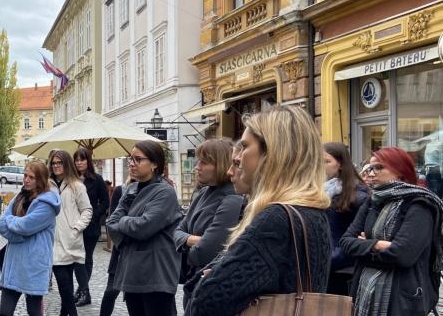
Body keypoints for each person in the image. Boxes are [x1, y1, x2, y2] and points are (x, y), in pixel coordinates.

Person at [187, 106, 332, 316]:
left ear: (272, 152)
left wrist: (209, 277)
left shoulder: (275, 219)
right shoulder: (312, 210)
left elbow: (206, 301)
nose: (237, 158)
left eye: (245, 146)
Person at [341, 146, 443, 315]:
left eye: (378, 167)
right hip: (364, 289)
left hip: (402, 298)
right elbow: (346, 242)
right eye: (369, 168)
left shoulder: (419, 204)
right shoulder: (373, 201)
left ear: (400, 171)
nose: (371, 173)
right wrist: (379, 245)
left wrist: (364, 245)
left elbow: (403, 254)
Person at [106, 141, 181, 316]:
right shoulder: (131, 189)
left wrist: (124, 221)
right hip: (132, 274)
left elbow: (144, 227)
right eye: (130, 159)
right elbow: (111, 223)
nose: (131, 163)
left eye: (138, 159)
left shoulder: (165, 193)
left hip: (155, 276)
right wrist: (127, 226)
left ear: (154, 164)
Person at [174, 138, 243, 307]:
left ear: (220, 164)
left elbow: (205, 251)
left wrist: (185, 244)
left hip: (209, 284)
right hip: (193, 282)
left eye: (204, 162)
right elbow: (176, 231)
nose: (197, 167)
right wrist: (193, 240)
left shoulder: (232, 197)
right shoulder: (203, 193)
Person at [0, 160, 61, 316]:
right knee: (4, 312)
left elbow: (24, 226)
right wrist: (20, 237)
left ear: (40, 180)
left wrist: (12, 222)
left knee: (34, 311)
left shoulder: (47, 204)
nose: (26, 179)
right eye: (25, 175)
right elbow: (2, 226)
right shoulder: (20, 196)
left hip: (34, 264)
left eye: (31, 177)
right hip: (14, 262)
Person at [49, 149, 93, 316]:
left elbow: (87, 210)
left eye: (59, 163)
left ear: (66, 164)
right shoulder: (47, 185)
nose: (56, 166)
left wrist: (76, 227)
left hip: (71, 240)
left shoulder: (77, 186)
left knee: (66, 283)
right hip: (53, 240)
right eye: (54, 163)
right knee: (63, 283)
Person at [322, 142, 369, 296]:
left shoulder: (357, 197)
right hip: (322, 267)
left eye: (326, 161)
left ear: (341, 164)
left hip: (341, 271)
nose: (320, 166)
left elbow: (357, 240)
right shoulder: (318, 191)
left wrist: (326, 261)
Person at [72, 147, 109, 307]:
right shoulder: (71, 180)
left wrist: (94, 216)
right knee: (75, 259)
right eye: (77, 160)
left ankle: (83, 292)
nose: (79, 162)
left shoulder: (97, 179)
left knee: (86, 259)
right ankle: (81, 290)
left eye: (82, 159)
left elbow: (105, 201)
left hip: (91, 227)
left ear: (88, 161)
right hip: (74, 225)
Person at [99, 176, 134, 316]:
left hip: (141, 254)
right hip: (121, 249)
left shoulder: (156, 191)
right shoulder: (121, 190)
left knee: (135, 297)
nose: (133, 165)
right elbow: (112, 221)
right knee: (111, 291)